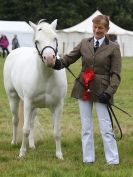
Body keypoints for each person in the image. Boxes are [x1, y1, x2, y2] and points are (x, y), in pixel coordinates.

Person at [53, 15, 121, 165]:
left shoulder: (114, 47)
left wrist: (109, 92)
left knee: (106, 127)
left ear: (107, 29)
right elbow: (69, 58)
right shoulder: (84, 43)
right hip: (83, 87)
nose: (97, 30)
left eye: (100, 28)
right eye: (95, 27)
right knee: (86, 127)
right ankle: (88, 159)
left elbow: (116, 75)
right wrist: (57, 63)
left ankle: (113, 160)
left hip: (102, 91)